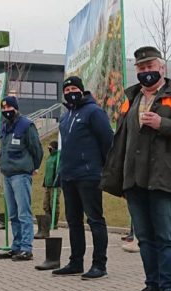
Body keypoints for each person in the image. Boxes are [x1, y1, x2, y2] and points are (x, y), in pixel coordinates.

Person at [101, 46, 171, 291]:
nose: (146, 72)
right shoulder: (130, 99)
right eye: (141, 68)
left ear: (161, 68)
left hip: (163, 178)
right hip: (134, 179)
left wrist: (162, 124)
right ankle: (152, 285)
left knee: (165, 236)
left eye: (150, 67)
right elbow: (121, 140)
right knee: (144, 237)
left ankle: (169, 288)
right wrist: (118, 178)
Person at [52, 77, 114, 280]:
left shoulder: (94, 112)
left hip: (89, 175)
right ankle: (75, 262)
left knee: (95, 220)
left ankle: (99, 264)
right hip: (68, 175)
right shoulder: (66, 115)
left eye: (74, 88)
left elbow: (107, 141)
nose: (70, 91)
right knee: (73, 221)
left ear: (81, 90)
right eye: (67, 89)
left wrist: (103, 168)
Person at [0, 96, 43, 261]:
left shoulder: (26, 125)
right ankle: (16, 247)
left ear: (15, 108)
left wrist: (34, 167)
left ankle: (26, 248)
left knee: (24, 213)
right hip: (7, 175)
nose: (6, 111)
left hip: (21, 174)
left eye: (9, 108)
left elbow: (36, 148)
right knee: (13, 214)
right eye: (3, 108)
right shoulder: (4, 126)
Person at [36, 140, 60, 239]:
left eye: (50, 147)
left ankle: (54, 222)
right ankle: (47, 222)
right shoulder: (49, 158)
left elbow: (58, 170)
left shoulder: (58, 157)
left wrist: (56, 181)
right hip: (47, 184)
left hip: (55, 185)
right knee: (46, 204)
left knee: (53, 203)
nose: (49, 149)